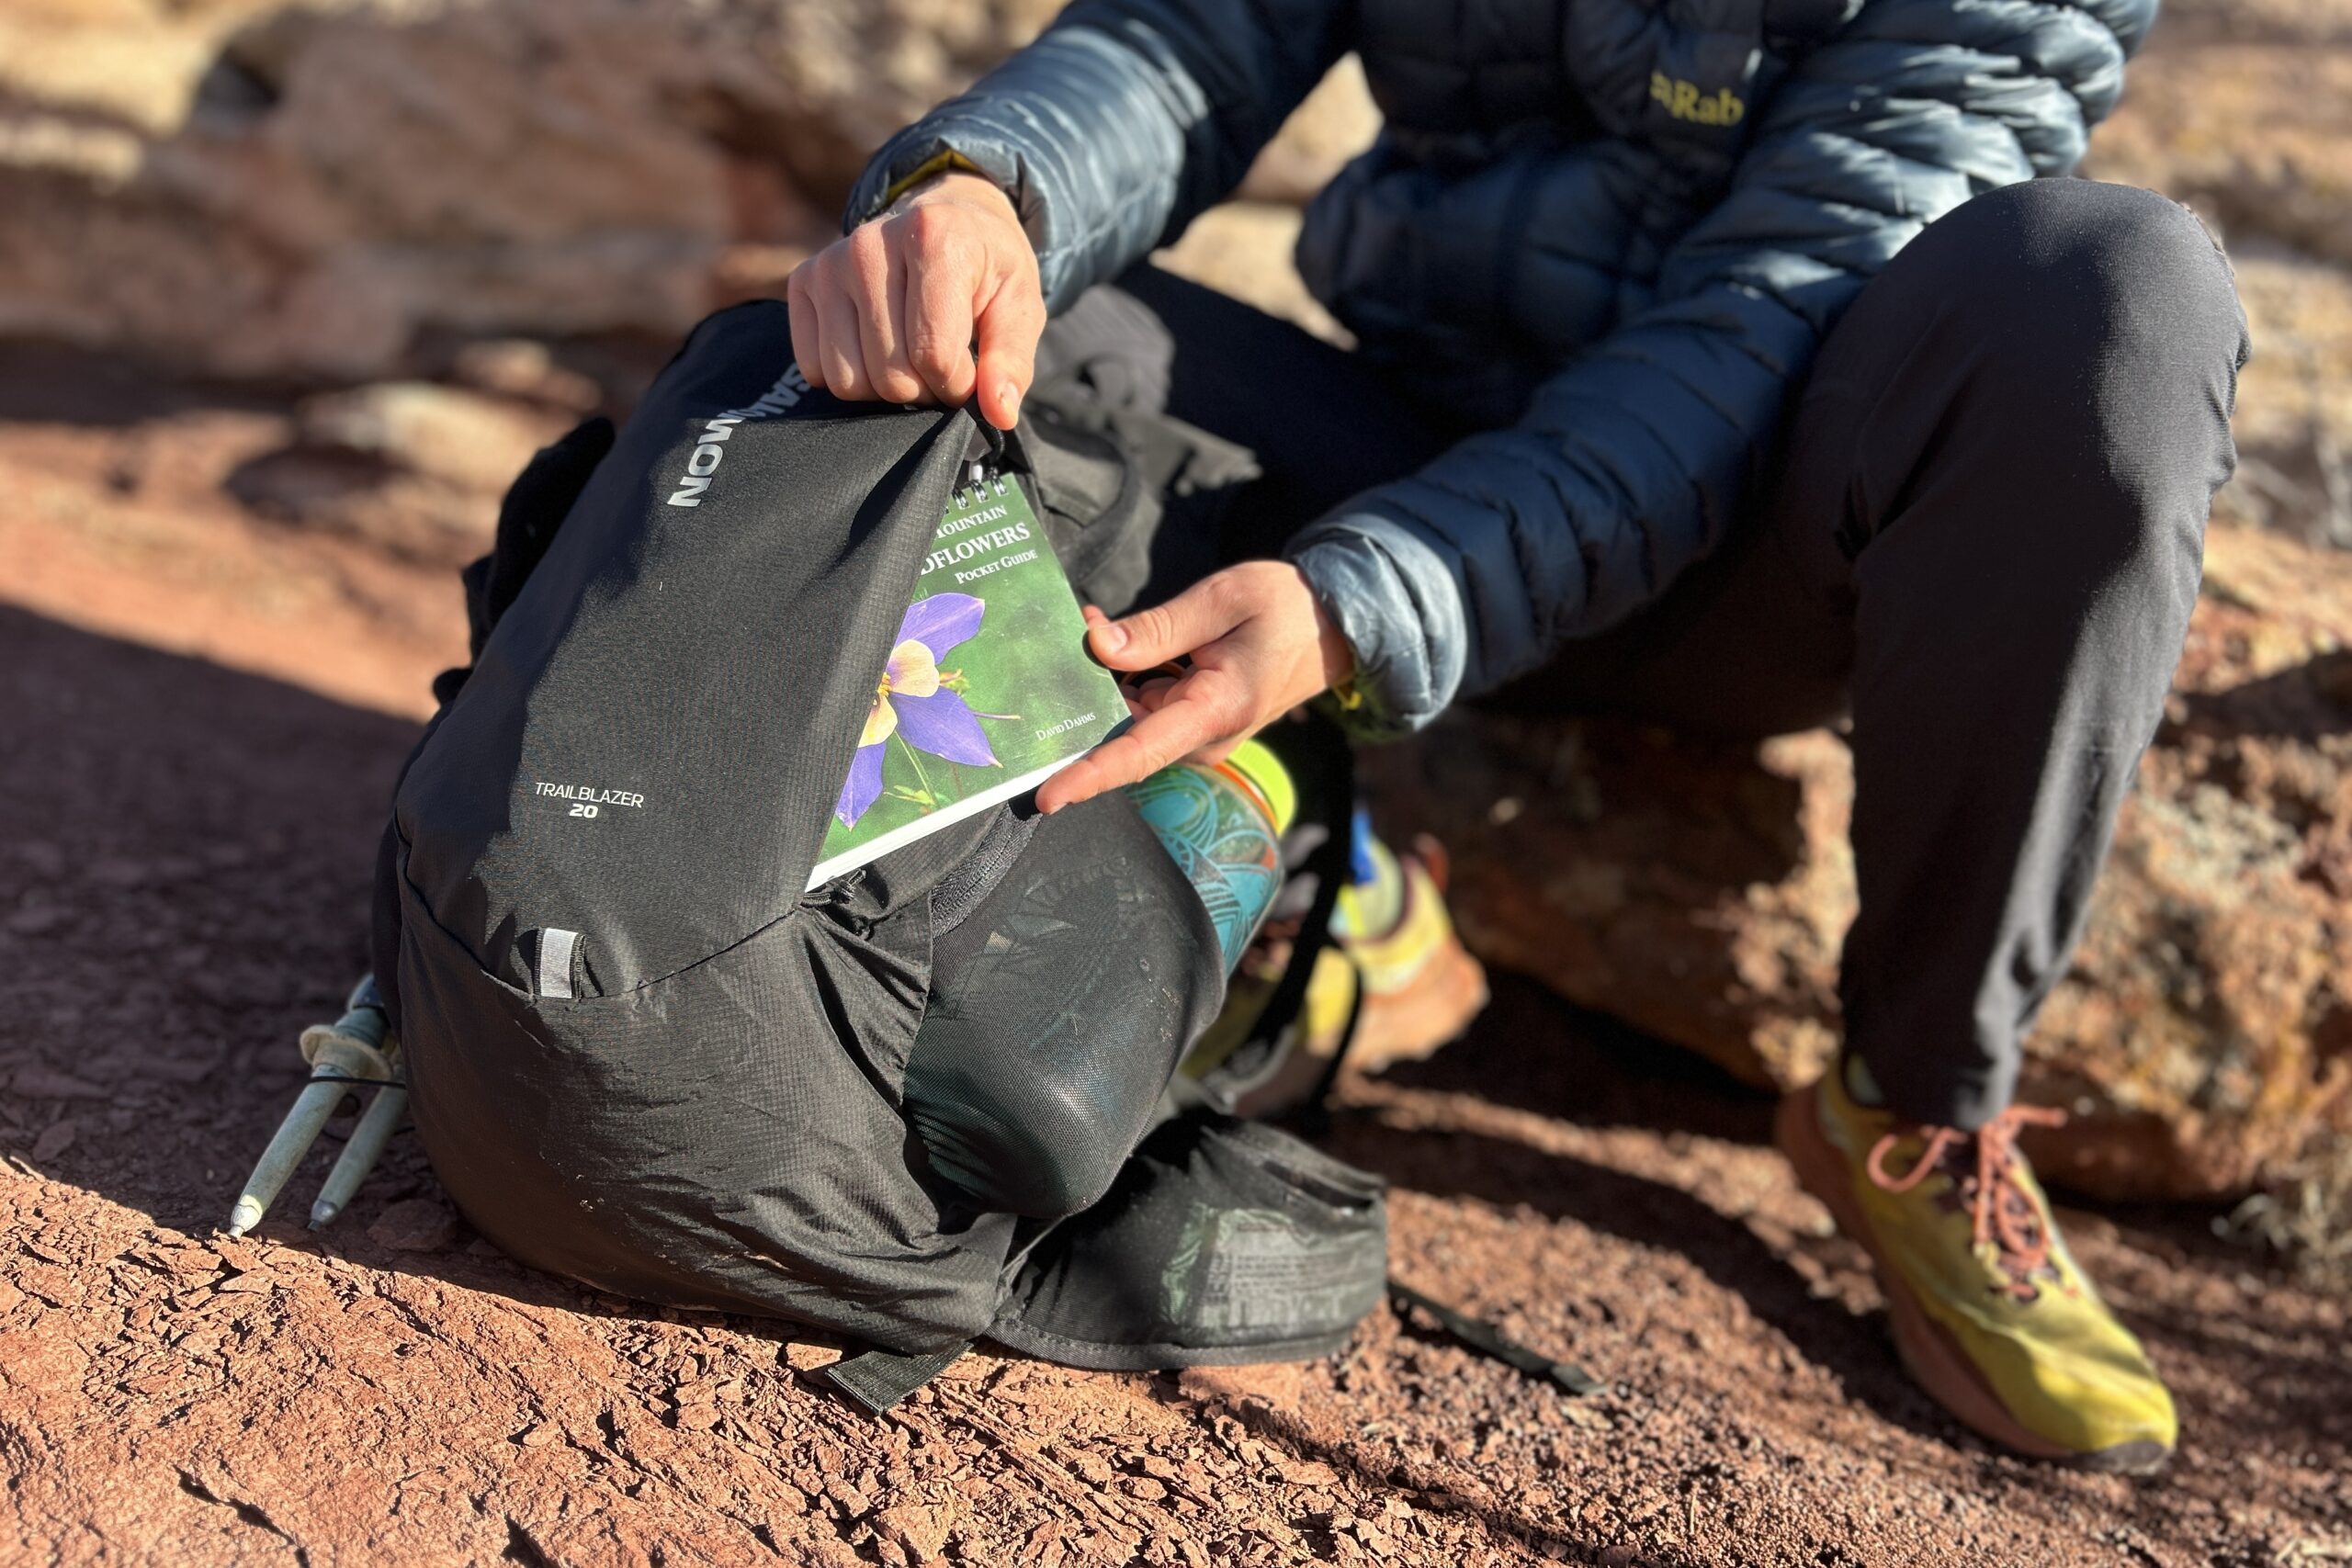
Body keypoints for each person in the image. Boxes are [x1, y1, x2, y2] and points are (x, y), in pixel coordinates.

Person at [785, 0, 2249, 1472]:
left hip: (1749, 541)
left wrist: (1368, 599)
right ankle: (1311, 863)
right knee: (980, 318)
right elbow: (1185, 48)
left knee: (2113, 301)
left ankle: (1920, 1102)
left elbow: (1763, 327)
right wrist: (988, 189)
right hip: (1405, 430)